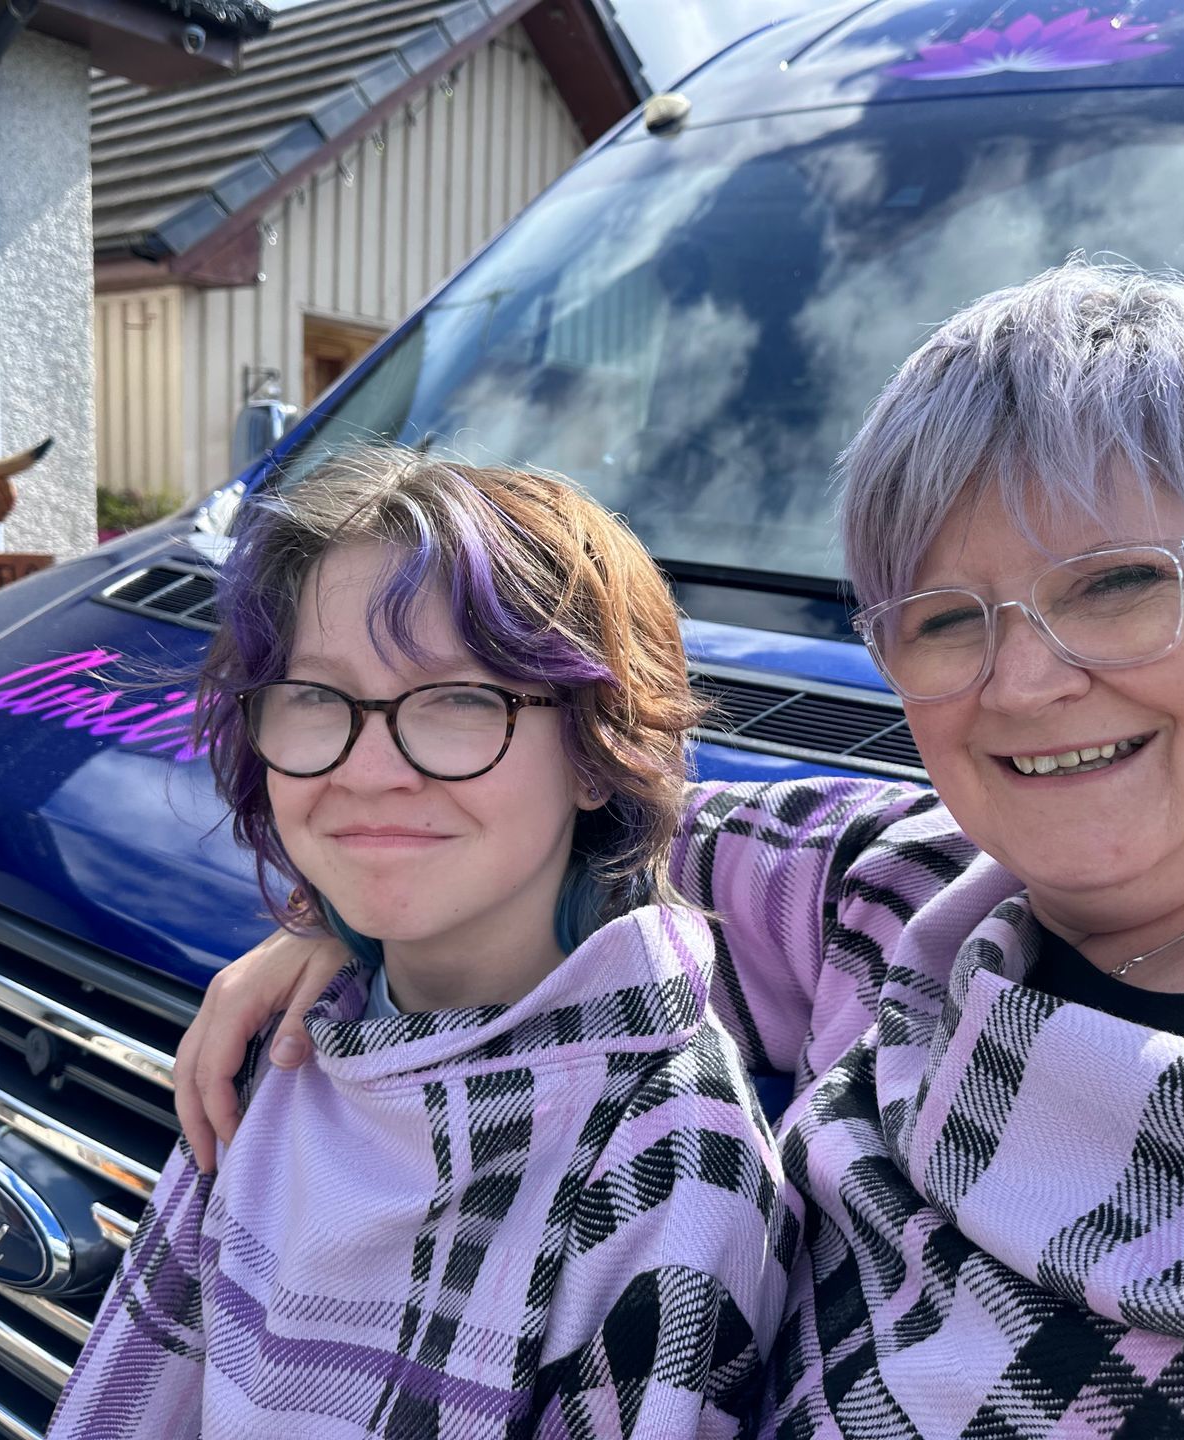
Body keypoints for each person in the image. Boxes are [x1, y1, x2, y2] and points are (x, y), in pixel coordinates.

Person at [170, 265, 1184, 1436]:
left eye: (1119, 585)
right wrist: (350, 897)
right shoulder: (923, 904)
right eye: (946, 620)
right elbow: (647, 826)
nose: (1024, 683)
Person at [49, 451, 792, 1439]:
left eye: (459, 700)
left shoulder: (666, 1158)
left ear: (596, 751)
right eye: (314, 697)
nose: (367, 769)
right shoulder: (295, 1041)